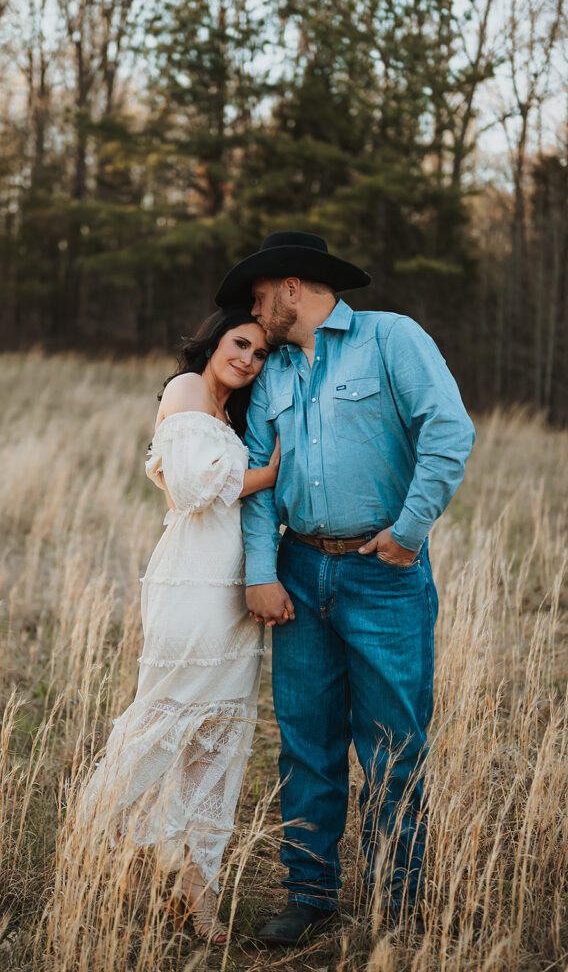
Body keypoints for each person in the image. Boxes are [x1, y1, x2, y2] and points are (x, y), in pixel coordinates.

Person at [215, 231, 476, 945]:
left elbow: (449, 431)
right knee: (306, 744)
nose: (253, 310)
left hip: (383, 574)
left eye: (259, 296)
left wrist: (410, 529)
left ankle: (399, 907)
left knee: (392, 747)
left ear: (292, 287)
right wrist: (263, 570)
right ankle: (309, 894)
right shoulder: (273, 373)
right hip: (299, 573)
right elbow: (261, 476)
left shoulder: (391, 339)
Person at [75, 308, 282, 945]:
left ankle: (200, 897)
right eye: (239, 343)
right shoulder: (187, 389)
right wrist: (272, 471)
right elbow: (191, 490)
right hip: (192, 585)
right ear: (215, 340)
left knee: (217, 742)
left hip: (232, 590)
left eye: (259, 354)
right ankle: (88, 854)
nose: (248, 359)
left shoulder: (228, 413)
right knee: (164, 720)